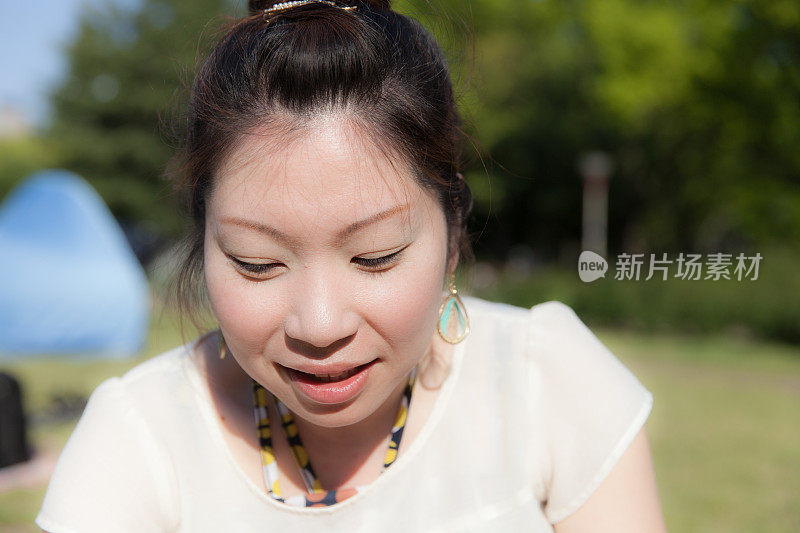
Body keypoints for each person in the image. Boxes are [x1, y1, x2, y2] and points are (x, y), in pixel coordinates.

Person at [35, 0, 666, 531]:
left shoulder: (547, 384)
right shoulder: (139, 437)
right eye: (257, 263)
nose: (319, 324)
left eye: (376, 257)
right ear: (202, 241)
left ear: (450, 235)